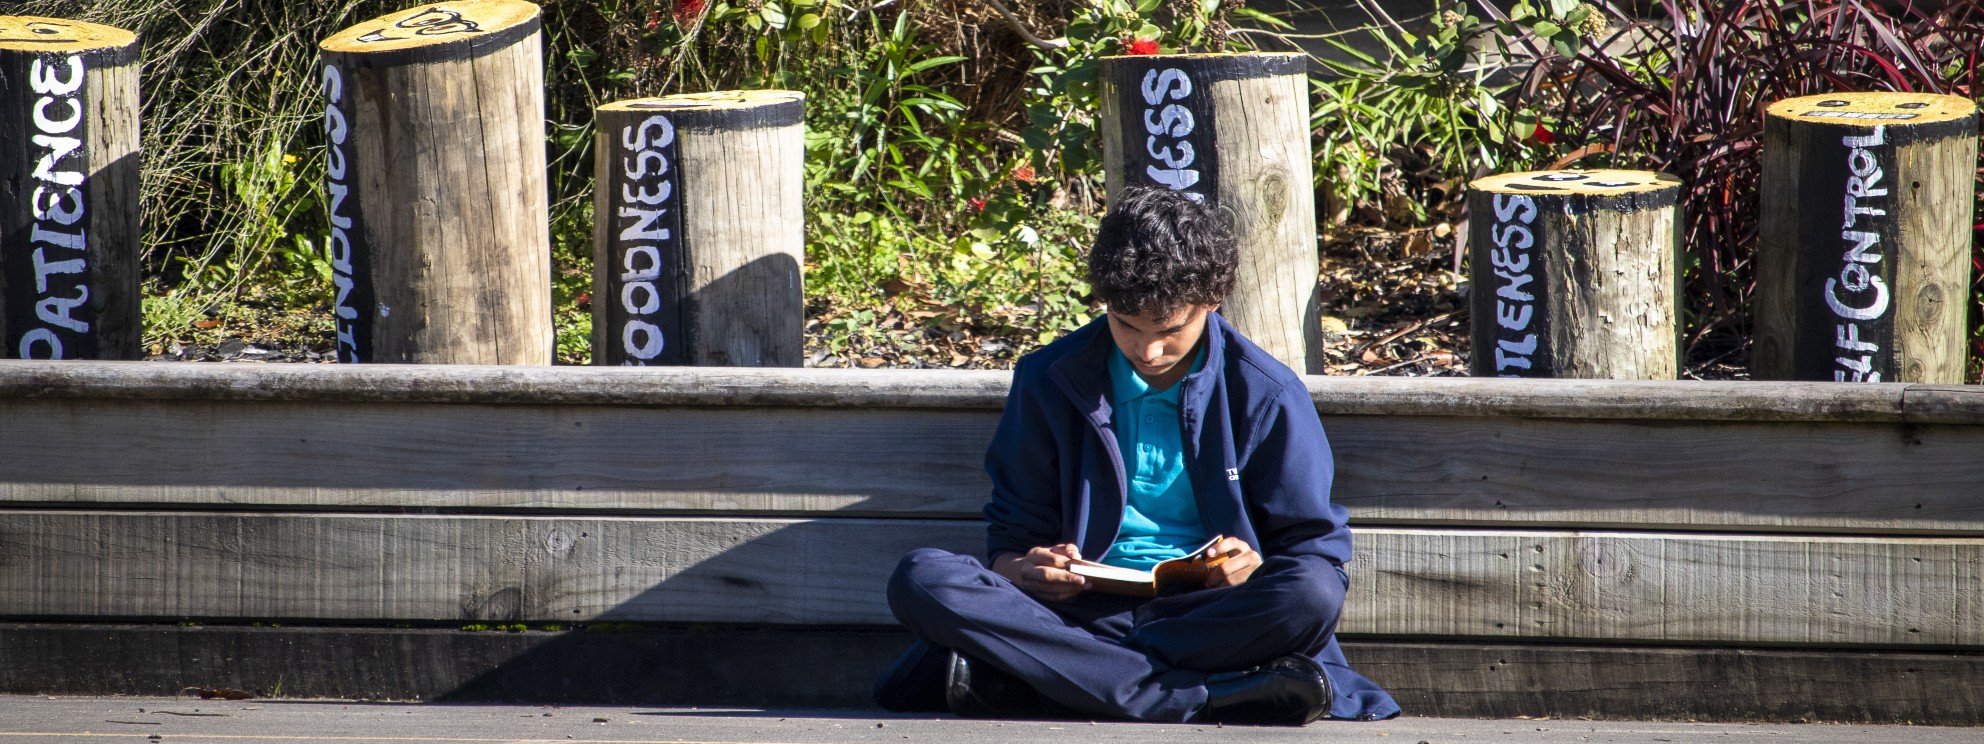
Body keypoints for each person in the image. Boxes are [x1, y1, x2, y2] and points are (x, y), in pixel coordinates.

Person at [873, 186, 1398, 725]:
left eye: (1171, 331)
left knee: (1310, 593)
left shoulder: (1266, 391)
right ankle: (1197, 697)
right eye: (1126, 325)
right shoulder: (1049, 377)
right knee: (922, 578)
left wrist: (1253, 566)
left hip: (1206, 619)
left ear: (1212, 302)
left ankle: (1061, 681)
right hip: (1073, 615)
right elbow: (1009, 541)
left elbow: (1314, 552)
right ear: (1104, 302)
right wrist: (1025, 569)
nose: (1148, 351)